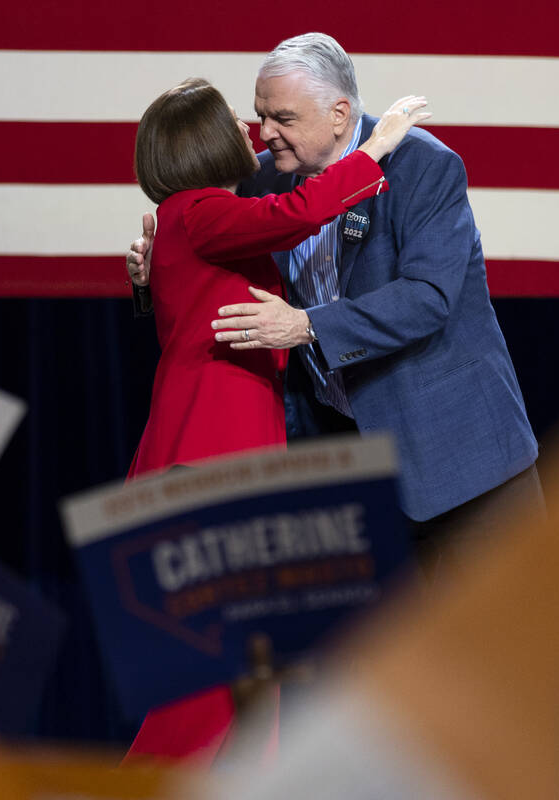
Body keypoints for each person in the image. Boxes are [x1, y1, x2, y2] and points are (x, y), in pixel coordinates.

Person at [127, 34, 544, 557]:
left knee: (510, 634)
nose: (265, 134)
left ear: (340, 114)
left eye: (283, 118)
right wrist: (151, 273)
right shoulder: (258, 178)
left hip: (458, 463)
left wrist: (306, 326)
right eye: (260, 116)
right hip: (341, 468)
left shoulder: (422, 167)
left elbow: (427, 297)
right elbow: (199, 253)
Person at [123, 77, 429, 764]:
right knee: (216, 676)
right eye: (235, 120)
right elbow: (291, 215)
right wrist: (373, 151)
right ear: (199, 142)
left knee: (247, 664)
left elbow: (188, 304)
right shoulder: (199, 210)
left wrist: (142, 283)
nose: (251, 129)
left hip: (224, 448)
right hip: (211, 456)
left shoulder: (185, 221)